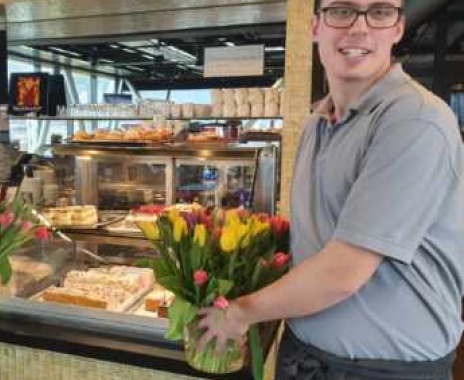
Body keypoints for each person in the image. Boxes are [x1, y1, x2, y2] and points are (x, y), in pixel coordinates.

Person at [197, 0, 464, 379]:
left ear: (398, 28)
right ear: (315, 27)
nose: (359, 28)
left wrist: (241, 312)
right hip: (305, 355)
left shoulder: (415, 120)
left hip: (384, 371)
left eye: (379, 12)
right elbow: (315, 239)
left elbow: (343, 271)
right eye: (342, 11)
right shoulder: (315, 124)